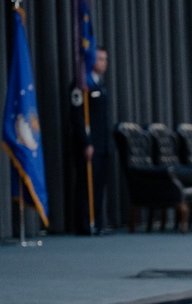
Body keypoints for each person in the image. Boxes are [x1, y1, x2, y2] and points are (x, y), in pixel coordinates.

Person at [70, 47, 110, 235]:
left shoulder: (100, 84)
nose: (104, 63)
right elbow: (77, 117)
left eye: (105, 59)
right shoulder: (81, 84)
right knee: (86, 185)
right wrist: (86, 142)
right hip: (88, 145)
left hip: (102, 144)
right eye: (100, 59)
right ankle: (84, 224)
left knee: (99, 185)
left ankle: (98, 223)